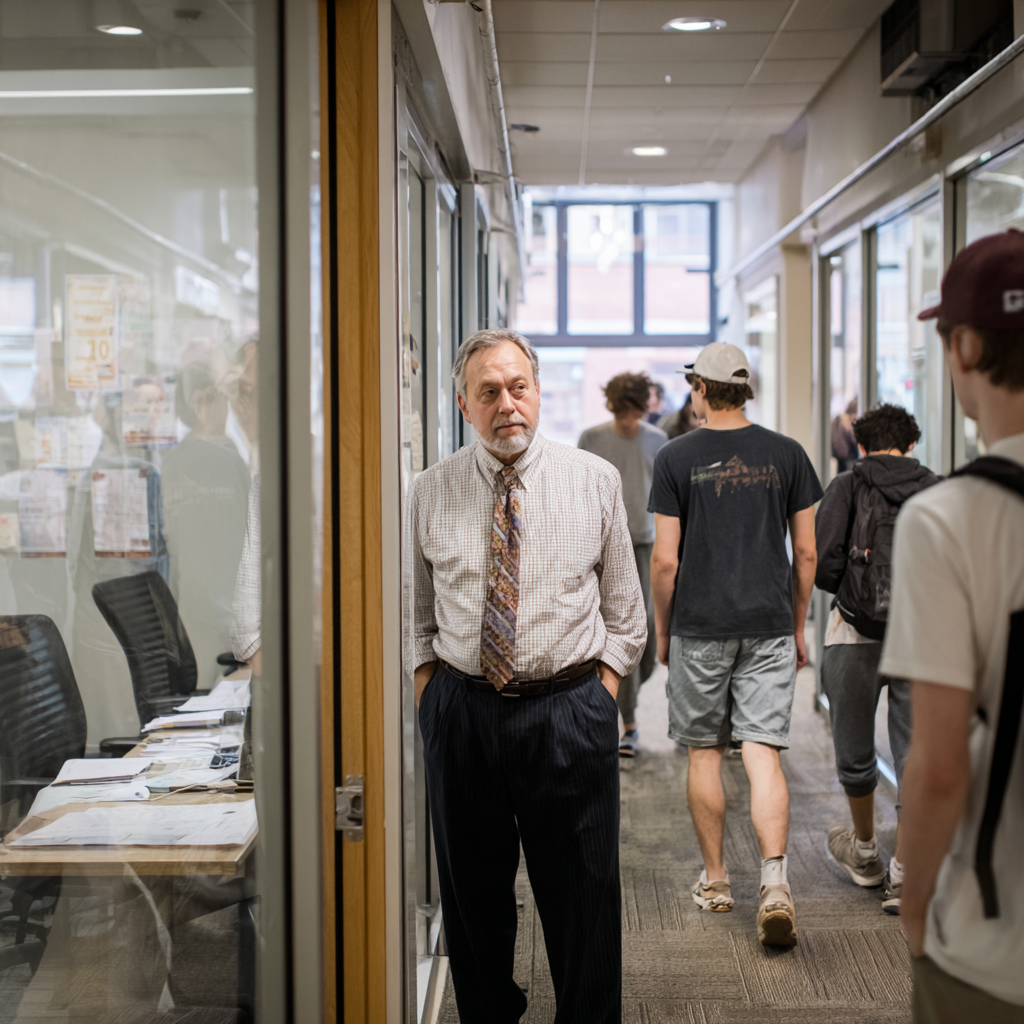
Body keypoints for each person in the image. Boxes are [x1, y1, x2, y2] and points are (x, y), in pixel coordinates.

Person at [408, 327, 646, 1024]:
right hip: (462, 713)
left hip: (569, 709)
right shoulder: (427, 491)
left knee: (584, 900)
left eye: (518, 387)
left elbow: (626, 615)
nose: (506, 404)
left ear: (538, 392)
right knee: (473, 903)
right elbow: (411, 617)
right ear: (463, 404)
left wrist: (598, 697)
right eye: (489, 392)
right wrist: (434, 699)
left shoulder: (593, 481)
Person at [881, 229, 1024, 1022]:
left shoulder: (950, 519)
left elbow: (935, 764)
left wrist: (918, 903)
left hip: (996, 944)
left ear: (964, 346)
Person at [649, 341, 822, 947]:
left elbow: (665, 562)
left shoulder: (674, 457)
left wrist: (664, 630)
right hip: (770, 622)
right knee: (762, 751)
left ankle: (718, 881)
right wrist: (798, 624)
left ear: (699, 388)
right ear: (746, 390)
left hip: (700, 624)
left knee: (703, 752)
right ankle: (775, 883)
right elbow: (806, 553)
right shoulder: (788, 454)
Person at [815, 403, 939, 913]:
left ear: (861, 446)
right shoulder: (938, 488)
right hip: (923, 637)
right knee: (915, 750)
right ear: (912, 445)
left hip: (853, 632)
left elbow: (824, 565)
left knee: (854, 745)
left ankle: (865, 853)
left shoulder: (846, 485)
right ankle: (905, 872)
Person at [579, 372, 667, 756]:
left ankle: (625, 705)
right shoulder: (592, 439)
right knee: (607, 632)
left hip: (645, 546)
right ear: (612, 407)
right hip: (598, 549)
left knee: (642, 633)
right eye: (621, 412)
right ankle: (625, 723)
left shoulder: (658, 441)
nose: (628, 420)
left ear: (643, 408)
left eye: (633, 412)